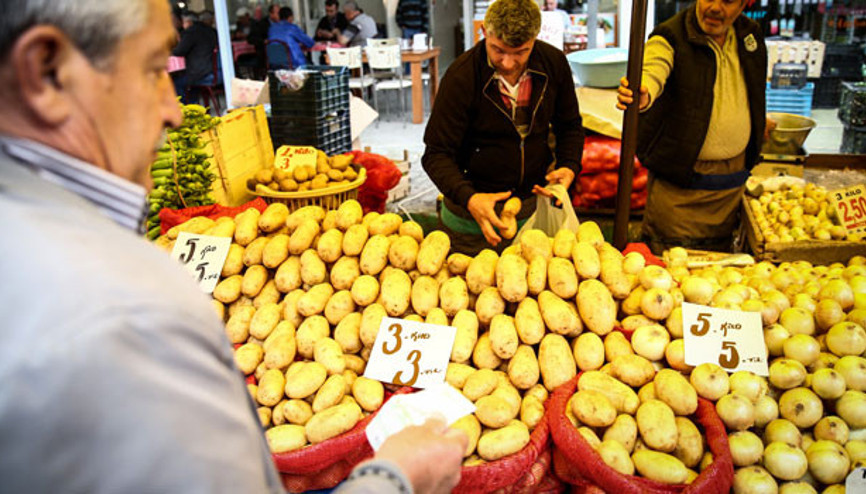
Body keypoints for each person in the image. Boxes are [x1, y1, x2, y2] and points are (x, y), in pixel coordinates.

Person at [0, 0, 467, 492]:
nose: (172, 111)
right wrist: (395, 477)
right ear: (46, 70)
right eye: (153, 69)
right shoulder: (122, 307)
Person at [422, 0, 584, 256]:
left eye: (520, 52)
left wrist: (569, 165)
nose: (508, 62)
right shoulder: (461, 76)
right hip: (469, 221)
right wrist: (469, 198)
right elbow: (435, 154)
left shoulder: (553, 64)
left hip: (531, 212)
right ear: (484, 32)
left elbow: (570, 126)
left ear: (534, 38)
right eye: (498, 50)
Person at [616, 0, 768, 253]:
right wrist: (644, 90)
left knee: (722, 263)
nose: (715, 7)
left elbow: (752, 88)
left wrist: (756, 121)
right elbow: (653, 68)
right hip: (679, 191)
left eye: (728, 1)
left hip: (730, 186)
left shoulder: (748, 35)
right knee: (669, 262)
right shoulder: (670, 36)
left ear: (743, 5)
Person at [172, 11, 218, 103]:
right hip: (214, 71)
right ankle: (194, 101)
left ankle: (187, 106)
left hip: (200, 73)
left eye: (183, 22)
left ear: (189, 22)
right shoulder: (210, 30)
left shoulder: (191, 32)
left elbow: (179, 51)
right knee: (185, 79)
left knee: (175, 82)